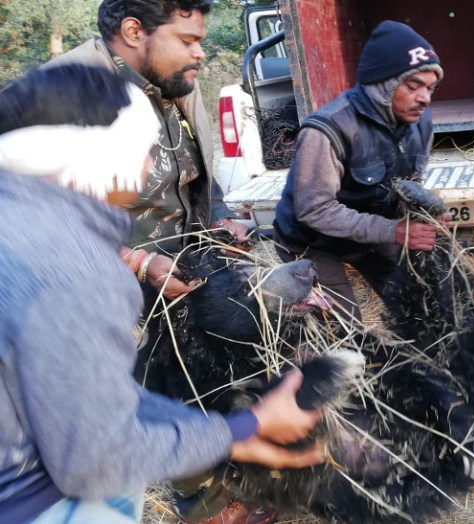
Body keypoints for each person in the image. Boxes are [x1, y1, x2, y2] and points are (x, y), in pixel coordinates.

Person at [0, 64, 324, 524]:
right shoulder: (72, 266)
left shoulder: (20, 227)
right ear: (100, 154)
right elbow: (95, 464)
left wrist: (221, 432)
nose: (153, 165)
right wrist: (242, 427)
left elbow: (99, 397)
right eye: (143, 149)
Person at [46, 0, 248, 300]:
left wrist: (219, 217)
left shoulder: (172, 83)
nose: (199, 53)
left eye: (199, 42)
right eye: (186, 41)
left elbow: (190, 169)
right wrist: (138, 263)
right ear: (134, 32)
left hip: (178, 275)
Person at [272, 20, 448, 320]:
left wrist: (423, 217)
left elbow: (409, 186)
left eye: (430, 88)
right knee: (343, 332)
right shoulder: (329, 128)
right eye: (414, 86)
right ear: (382, 84)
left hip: (370, 237)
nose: (425, 98)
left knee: (418, 310)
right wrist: (391, 230)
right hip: (313, 243)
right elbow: (314, 210)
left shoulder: (422, 122)